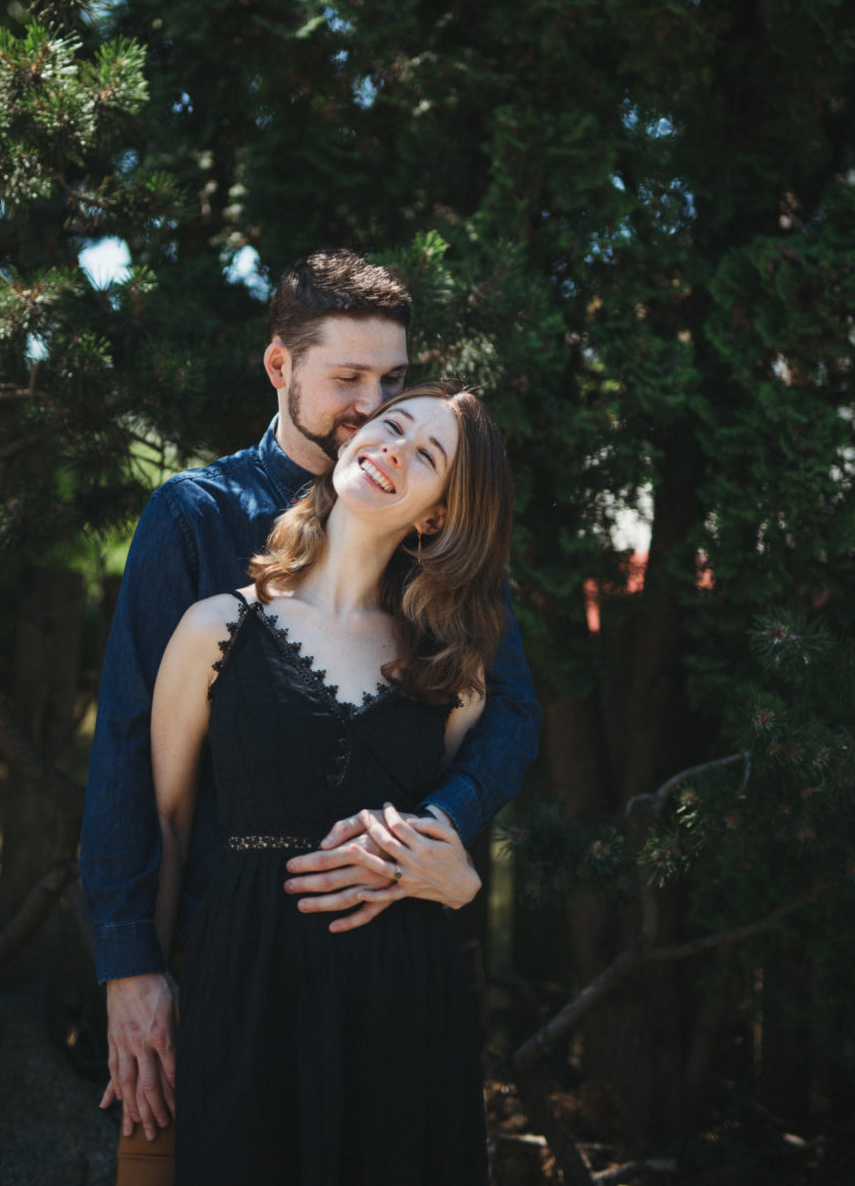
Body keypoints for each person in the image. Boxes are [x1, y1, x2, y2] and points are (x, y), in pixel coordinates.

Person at [79, 250, 540, 1180]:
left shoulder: (435, 549)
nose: (372, 410)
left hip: (391, 975)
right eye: (349, 381)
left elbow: (510, 717)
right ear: (280, 367)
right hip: (230, 961)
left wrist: (440, 838)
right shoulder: (199, 517)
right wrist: (132, 965)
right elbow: (131, 752)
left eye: (394, 383)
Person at [154, 382, 512, 1185]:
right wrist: (146, 985)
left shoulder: (453, 672)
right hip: (245, 989)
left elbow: (442, 850)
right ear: (352, 441)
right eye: (392, 426)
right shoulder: (215, 628)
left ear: (436, 517)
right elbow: (168, 825)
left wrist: (461, 882)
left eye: (427, 455)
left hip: (403, 1000)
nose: (393, 449)